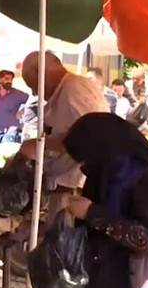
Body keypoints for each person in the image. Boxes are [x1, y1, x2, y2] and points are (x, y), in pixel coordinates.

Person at [62, 113, 148, 288]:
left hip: (134, 283)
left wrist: (92, 213)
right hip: (99, 277)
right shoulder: (104, 173)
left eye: (86, 159)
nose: (83, 167)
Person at [19, 51, 109, 228]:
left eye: (32, 85)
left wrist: (40, 145)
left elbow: (91, 137)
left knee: (62, 244)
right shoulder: (68, 89)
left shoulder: (74, 89)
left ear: (41, 74)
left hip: (75, 191)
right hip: (66, 187)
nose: (34, 92)